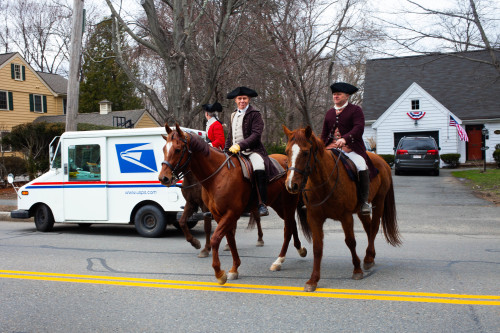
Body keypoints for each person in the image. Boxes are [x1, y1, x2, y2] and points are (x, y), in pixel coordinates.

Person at [320, 82, 377, 215]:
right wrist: (320, 147)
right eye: (334, 94)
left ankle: (364, 202)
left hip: (351, 148)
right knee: (314, 164)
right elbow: (324, 133)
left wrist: (345, 138)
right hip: (330, 147)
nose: (335, 96)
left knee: (361, 165)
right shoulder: (329, 113)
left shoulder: (356, 110)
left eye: (338, 94)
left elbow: (359, 128)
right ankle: (310, 199)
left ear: (347, 96)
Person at [225, 86, 276, 216]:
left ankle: (262, 204)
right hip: (234, 151)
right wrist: (226, 150)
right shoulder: (233, 114)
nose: (242, 101)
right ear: (235, 100)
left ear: (249, 99)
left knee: (259, 168)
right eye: (239, 98)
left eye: (245, 98)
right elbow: (230, 135)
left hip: (253, 151)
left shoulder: (255, 114)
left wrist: (240, 145)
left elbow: (256, 135)